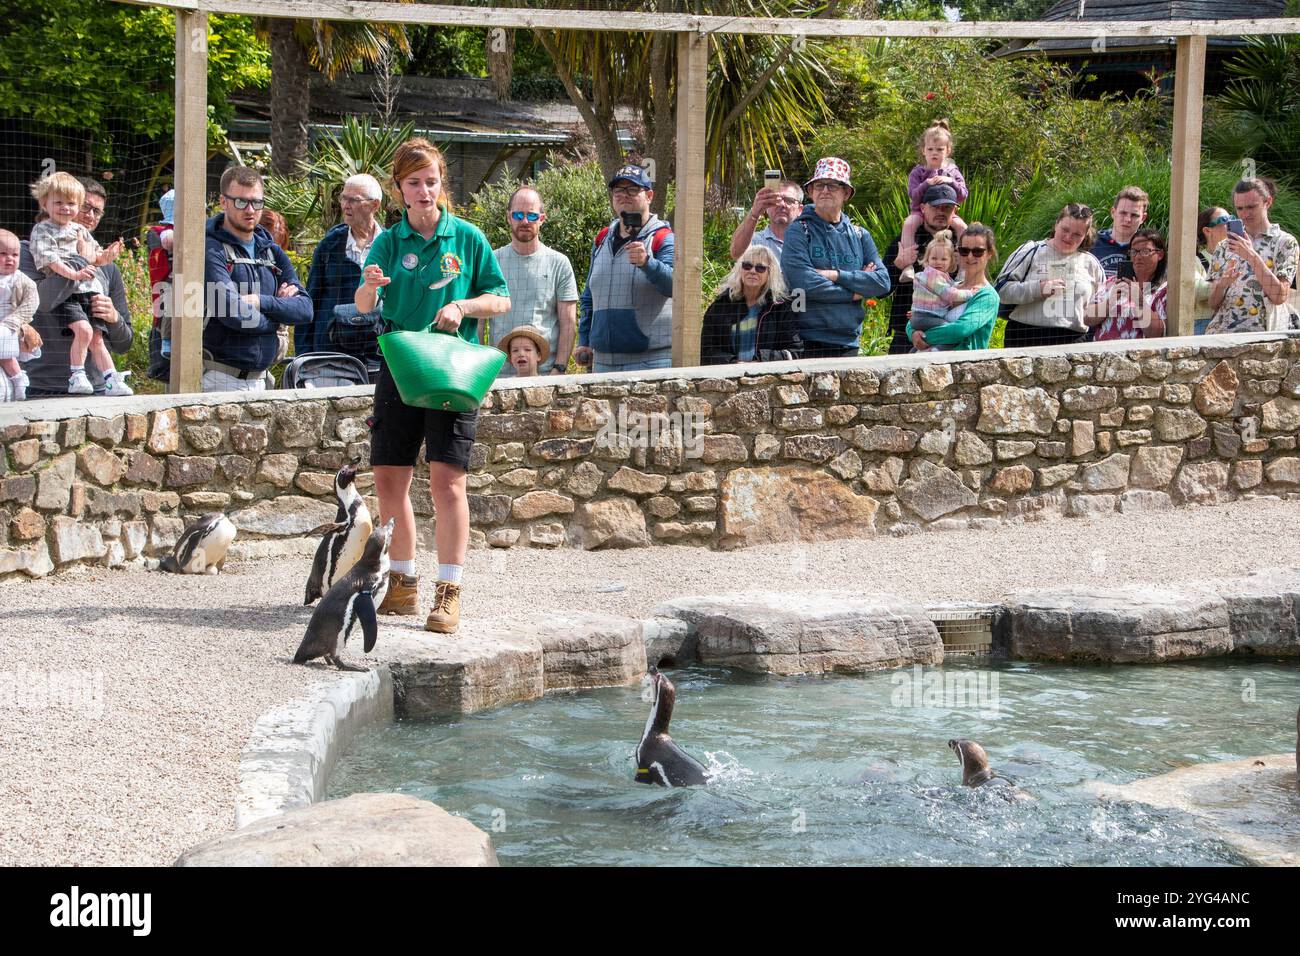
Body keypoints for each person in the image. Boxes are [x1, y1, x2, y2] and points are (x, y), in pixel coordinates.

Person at [355, 137, 511, 634]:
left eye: (432, 181)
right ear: (399, 190)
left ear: (442, 184)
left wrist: (463, 306)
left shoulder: (467, 238)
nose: (425, 191)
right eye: (414, 183)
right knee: (388, 479)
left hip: (452, 369)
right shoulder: (388, 242)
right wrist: (370, 287)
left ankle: (449, 591)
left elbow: (501, 300)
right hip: (400, 365)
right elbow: (362, 306)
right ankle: (402, 583)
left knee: (447, 482)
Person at [22, 177, 135, 399]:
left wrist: (114, 318)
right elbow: (43, 303)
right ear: (52, 202)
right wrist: (80, 261)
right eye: (85, 206)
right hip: (42, 389)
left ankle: (112, 378)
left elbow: (124, 344)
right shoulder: (26, 254)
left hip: (97, 391)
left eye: (97, 211)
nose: (89, 215)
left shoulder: (109, 270)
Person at [202, 165, 312, 391]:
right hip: (220, 379)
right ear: (223, 202)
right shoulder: (210, 249)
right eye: (241, 202)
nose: (250, 210)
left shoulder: (271, 251)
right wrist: (279, 319)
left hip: (262, 380)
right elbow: (232, 313)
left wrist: (262, 302)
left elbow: (305, 309)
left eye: (257, 202)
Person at [780, 156, 890, 358]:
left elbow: (882, 282)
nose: (824, 190)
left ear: (846, 192)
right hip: (807, 339)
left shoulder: (860, 235)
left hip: (848, 340)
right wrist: (855, 292)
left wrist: (834, 275)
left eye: (832, 185)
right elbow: (802, 282)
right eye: (819, 185)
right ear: (810, 192)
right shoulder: (798, 231)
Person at [574, 163, 674, 372]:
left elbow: (676, 287)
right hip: (602, 362)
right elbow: (589, 297)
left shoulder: (663, 239)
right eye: (618, 190)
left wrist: (648, 264)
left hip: (652, 362)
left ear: (649, 196)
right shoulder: (601, 239)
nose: (624, 195)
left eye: (632, 189)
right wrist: (584, 339)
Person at [489, 185, 578, 374]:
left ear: (542, 219)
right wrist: (481, 370)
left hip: (545, 374)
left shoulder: (559, 263)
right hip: (498, 374)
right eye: (518, 215)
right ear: (508, 217)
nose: (525, 221)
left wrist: (559, 368)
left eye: (531, 216)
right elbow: (479, 322)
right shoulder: (492, 262)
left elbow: (568, 322)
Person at [995, 203, 1105, 348]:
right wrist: (1039, 288)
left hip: (1074, 341)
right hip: (1025, 336)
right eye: (1065, 229)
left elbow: (1100, 305)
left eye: (1077, 234)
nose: (1068, 237)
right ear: (1056, 225)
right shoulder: (1031, 250)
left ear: (1085, 236)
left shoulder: (1092, 264)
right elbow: (1000, 291)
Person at [304, 173, 386, 358]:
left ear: (374, 205)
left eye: (354, 200)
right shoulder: (329, 245)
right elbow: (311, 299)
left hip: (376, 352)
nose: (346, 205)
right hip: (329, 351)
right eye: (343, 198)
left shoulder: (390, 245)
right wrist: (305, 354)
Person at [1206, 177, 1299, 334]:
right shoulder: (1224, 245)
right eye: (1239, 208)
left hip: (1264, 336)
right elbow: (1213, 304)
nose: (1245, 214)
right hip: (1222, 335)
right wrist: (1222, 284)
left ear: (1267, 202)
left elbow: (1279, 296)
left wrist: (1251, 256)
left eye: (1251, 207)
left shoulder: (1286, 243)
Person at [883, 183, 960, 353]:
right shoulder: (904, 241)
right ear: (923, 208)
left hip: (949, 335)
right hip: (905, 335)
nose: (941, 211)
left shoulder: (963, 246)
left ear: (954, 211)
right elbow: (881, 291)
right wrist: (898, 266)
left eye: (946, 207)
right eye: (935, 206)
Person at [700, 244, 800, 364]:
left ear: (770, 273)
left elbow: (794, 351)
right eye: (747, 266)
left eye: (760, 268)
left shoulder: (780, 307)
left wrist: (759, 361)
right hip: (728, 376)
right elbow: (706, 351)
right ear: (740, 269)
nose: (752, 271)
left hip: (767, 376)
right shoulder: (721, 305)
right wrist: (733, 363)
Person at [908, 222, 1000, 352]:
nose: (970, 256)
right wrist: (913, 333)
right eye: (964, 250)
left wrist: (924, 337)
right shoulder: (948, 287)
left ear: (989, 254)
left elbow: (961, 330)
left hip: (963, 368)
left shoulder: (987, 295)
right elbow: (917, 317)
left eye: (978, 251)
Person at [1083, 228, 1167, 341]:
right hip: (1103, 354)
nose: (1138, 257)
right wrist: (1108, 303)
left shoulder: (1163, 290)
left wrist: (1139, 301)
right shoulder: (1113, 282)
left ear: (1160, 254)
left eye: (1145, 251)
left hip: (1137, 355)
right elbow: (1087, 318)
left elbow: (1156, 333)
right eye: (1134, 251)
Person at [899, 119, 968, 255]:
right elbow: (913, 196)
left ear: (948, 151)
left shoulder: (953, 171)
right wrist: (926, 184)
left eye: (939, 149)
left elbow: (963, 195)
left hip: (948, 213)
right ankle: (907, 263)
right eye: (930, 149)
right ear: (923, 151)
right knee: (908, 224)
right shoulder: (918, 172)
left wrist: (951, 181)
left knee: (963, 227)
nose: (934, 153)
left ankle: (963, 266)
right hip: (920, 211)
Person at [901, 228, 972, 350]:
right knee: (950, 333)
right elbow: (948, 294)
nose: (938, 262)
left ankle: (915, 351)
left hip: (922, 317)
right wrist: (969, 293)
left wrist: (958, 286)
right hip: (927, 318)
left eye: (944, 259)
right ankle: (936, 351)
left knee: (924, 338)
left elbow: (949, 286)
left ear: (951, 261)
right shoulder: (932, 275)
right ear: (927, 259)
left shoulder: (942, 277)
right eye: (934, 258)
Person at [0, 229, 39, 402]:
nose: (10, 259)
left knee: (5, 355)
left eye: (15, 255)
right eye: (3, 254)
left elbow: (32, 301)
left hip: (9, 324)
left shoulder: (21, 279)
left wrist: (15, 321)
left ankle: (18, 379)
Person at [728, 178, 804, 260]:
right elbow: (736, 253)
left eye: (789, 200)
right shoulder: (755, 241)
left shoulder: (810, 240)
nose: (781, 204)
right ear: (767, 207)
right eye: (776, 199)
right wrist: (754, 213)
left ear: (800, 210)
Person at [145, 187, 175, 380]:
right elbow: (168, 240)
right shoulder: (161, 233)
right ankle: (165, 341)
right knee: (172, 303)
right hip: (169, 284)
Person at [1090, 185, 1149, 278]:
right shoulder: (1092, 243)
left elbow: (1153, 287)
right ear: (1113, 213)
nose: (1128, 219)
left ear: (1143, 218)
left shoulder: (1149, 249)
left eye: (1134, 215)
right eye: (1123, 213)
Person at [1194, 206, 1230, 334]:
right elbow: (1196, 290)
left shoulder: (1238, 256)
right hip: (1204, 323)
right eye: (1225, 220)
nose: (1231, 224)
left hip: (1231, 321)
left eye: (1232, 219)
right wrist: (1227, 283)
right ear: (1207, 231)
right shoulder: (1195, 260)